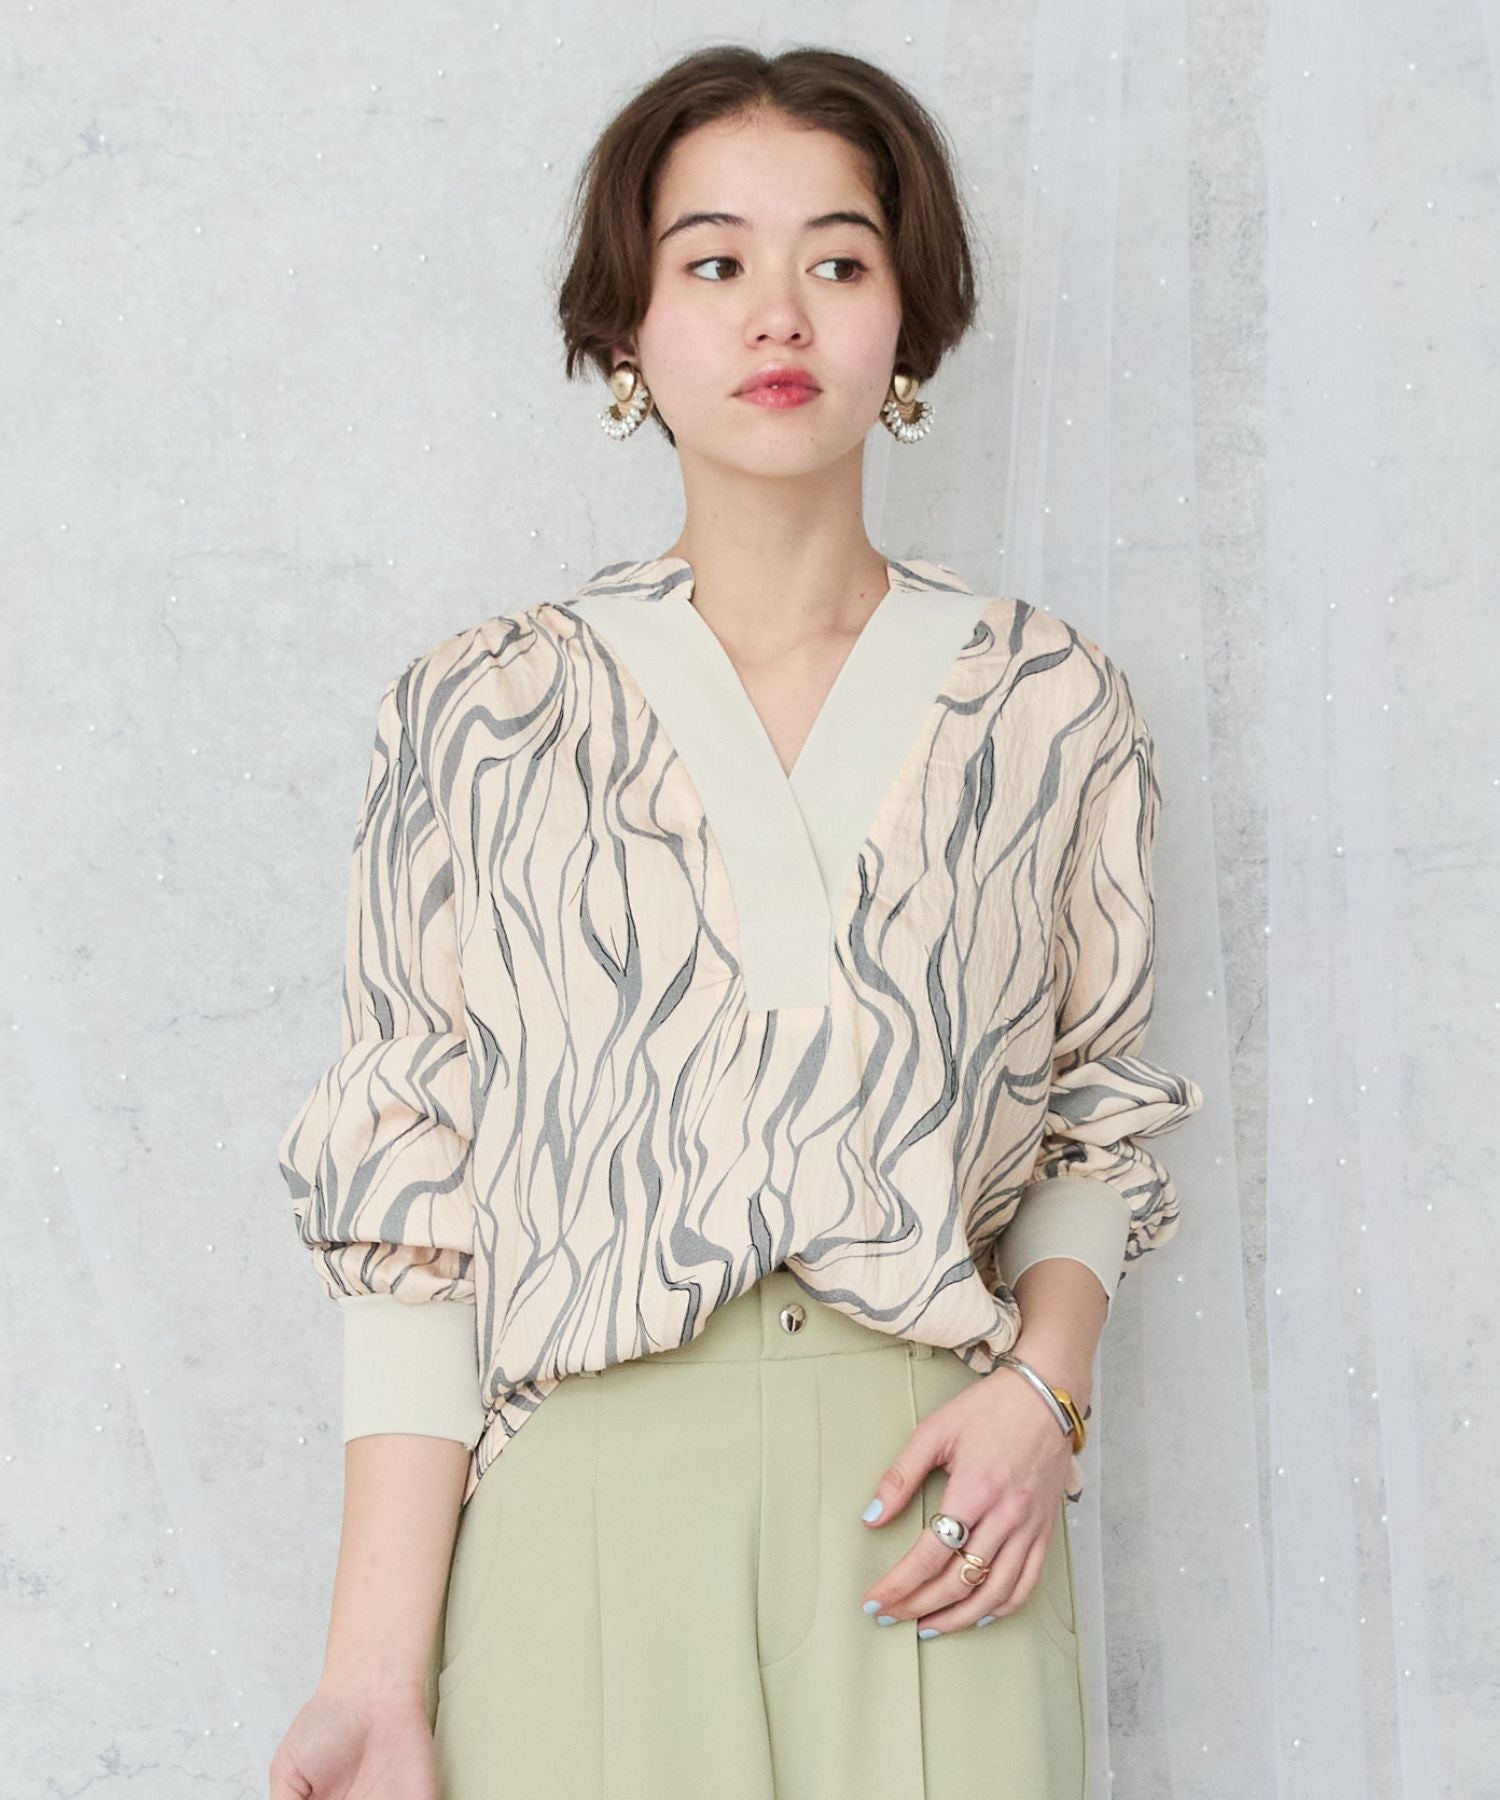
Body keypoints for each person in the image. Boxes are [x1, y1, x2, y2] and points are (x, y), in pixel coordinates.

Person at [267, 43, 1204, 1800]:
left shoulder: (1051, 700)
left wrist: (1046, 1396)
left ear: (907, 318)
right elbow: (411, 1210)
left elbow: (1096, 1112)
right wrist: (371, 1682)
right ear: (629, 326)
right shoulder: (481, 709)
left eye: (839, 260)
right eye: (714, 261)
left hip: (932, 1502)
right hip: (587, 1511)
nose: (780, 311)